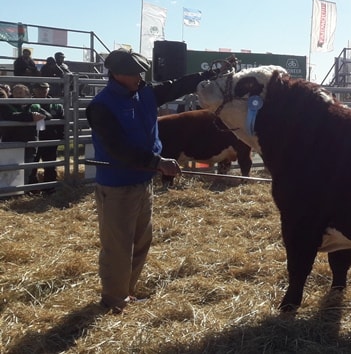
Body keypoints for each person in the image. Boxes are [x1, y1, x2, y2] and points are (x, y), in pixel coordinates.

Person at [86, 49, 228, 314]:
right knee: (118, 247)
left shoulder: (145, 93)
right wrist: (158, 162)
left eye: (141, 72)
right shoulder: (101, 106)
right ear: (117, 75)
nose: (140, 77)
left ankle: (126, 293)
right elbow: (118, 149)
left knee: (141, 241)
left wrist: (210, 73)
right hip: (117, 185)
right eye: (134, 73)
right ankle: (113, 301)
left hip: (142, 182)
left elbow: (177, 86)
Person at [0, 84, 46, 184]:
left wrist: (39, 115)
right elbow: (10, 116)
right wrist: (30, 116)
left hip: (30, 141)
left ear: (27, 94)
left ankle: (24, 190)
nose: (18, 95)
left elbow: (47, 115)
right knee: (11, 169)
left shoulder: (33, 105)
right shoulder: (6, 105)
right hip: (12, 141)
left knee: (27, 169)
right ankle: (11, 193)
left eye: (20, 93)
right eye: (15, 92)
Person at [28, 83, 64, 188]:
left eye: (44, 89)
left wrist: (61, 136)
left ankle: (50, 188)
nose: (42, 91)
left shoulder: (56, 104)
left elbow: (62, 122)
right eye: (38, 89)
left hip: (50, 137)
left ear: (48, 90)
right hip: (33, 138)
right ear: (33, 90)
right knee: (32, 165)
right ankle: (31, 188)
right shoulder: (27, 102)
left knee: (50, 164)